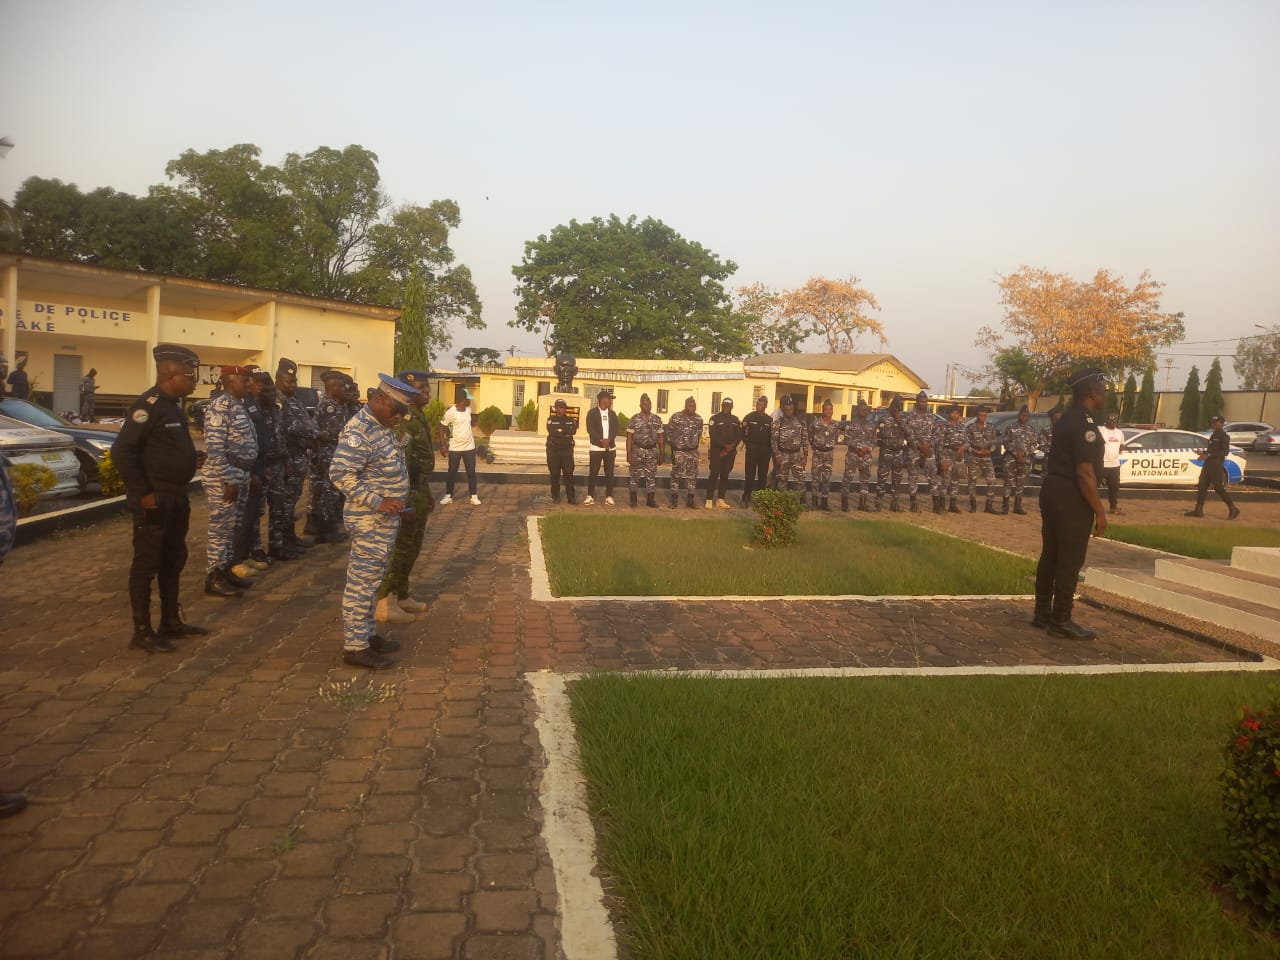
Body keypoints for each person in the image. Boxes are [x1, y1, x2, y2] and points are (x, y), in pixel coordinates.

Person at [110, 343, 210, 651]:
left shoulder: (173, 406)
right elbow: (122, 451)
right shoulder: (148, 406)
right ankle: (142, 631)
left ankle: (170, 621)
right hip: (155, 500)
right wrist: (143, 495)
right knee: (147, 562)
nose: (194, 380)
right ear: (169, 373)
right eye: (189, 374)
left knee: (173, 559)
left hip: (176, 497)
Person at [329, 374, 415, 668]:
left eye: (403, 411)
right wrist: (379, 501)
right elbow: (340, 474)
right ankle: (355, 647)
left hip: (384, 520)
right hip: (369, 520)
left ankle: (366, 635)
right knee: (361, 584)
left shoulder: (383, 426)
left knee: (373, 580)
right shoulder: (360, 430)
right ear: (379, 400)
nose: (400, 416)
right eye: (396, 410)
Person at [1035, 367, 1108, 640]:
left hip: (1053, 491)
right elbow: (1084, 472)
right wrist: (1100, 511)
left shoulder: (1066, 418)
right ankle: (1061, 620)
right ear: (1092, 392)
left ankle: (1042, 613)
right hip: (1072, 496)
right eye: (1104, 390)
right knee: (1069, 560)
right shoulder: (1084, 424)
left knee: (1050, 555)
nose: (1106, 395)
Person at [376, 370, 437, 623]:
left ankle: (401, 595)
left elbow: (420, 460)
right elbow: (398, 462)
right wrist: (403, 499)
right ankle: (383, 601)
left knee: (412, 547)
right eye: (421, 388)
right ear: (407, 392)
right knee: (399, 547)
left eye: (427, 388)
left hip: (418, 490)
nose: (426, 392)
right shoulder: (404, 421)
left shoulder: (418, 417)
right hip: (405, 493)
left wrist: (427, 492)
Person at [201, 366, 259, 596]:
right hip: (224, 477)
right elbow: (215, 449)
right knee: (221, 528)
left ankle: (225, 572)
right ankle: (213, 577)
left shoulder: (238, 405)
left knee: (232, 527)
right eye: (244, 380)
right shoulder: (220, 407)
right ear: (229, 381)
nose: (248, 384)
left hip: (241, 473)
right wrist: (230, 480)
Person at [275, 358, 318, 557]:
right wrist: (310, 431)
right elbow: (286, 428)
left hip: (299, 457)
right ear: (278, 380)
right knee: (283, 503)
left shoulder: (294, 401)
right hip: (288, 458)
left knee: (291, 501)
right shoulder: (277, 401)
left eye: (294, 381)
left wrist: (311, 431)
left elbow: (309, 424)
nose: (293, 385)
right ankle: (281, 543)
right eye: (288, 381)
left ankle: (290, 538)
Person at [310, 370, 351, 543]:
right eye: (341, 386)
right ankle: (326, 531)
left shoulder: (336, 404)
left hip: (334, 454)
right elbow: (321, 433)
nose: (344, 389)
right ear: (333, 387)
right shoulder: (328, 405)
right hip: (328, 454)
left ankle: (327, 528)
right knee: (328, 492)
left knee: (331, 492)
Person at [1186, 414, 1241, 520]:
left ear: (1221, 423)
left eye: (1215, 422)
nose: (1213, 424)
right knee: (1202, 486)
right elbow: (1212, 450)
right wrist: (1203, 452)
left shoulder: (1224, 436)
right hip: (1208, 464)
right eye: (1212, 422)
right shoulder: (1214, 435)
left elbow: (1224, 452)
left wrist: (1208, 455)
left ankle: (1233, 508)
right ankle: (1198, 509)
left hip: (1216, 464)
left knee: (1218, 488)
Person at [439, 387, 480, 506]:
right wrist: (442, 445)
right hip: (455, 448)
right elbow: (441, 426)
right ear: (462, 399)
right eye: (468, 399)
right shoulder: (451, 412)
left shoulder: (468, 410)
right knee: (452, 472)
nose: (470, 401)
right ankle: (448, 495)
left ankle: (473, 496)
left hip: (469, 447)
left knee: (471, 472)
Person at [626, 393, 664, 507]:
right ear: (641, 405)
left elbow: (661, 437)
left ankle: (650, 500)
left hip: (652, 451)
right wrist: (628, 454)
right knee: (634, 476)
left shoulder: (657, 419)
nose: (647, 406)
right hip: (637, 450)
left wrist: (661, 453)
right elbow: (629, 438)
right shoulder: (634, 419)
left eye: (649, 404)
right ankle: (633, 500)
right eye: (645, 404)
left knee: (651, 476)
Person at [903, 391, 938, 513]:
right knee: (913, 476)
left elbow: (936, 435)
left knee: (932, 476)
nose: (923, 404)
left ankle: (936, 504)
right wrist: (919, 445)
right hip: (914, 451)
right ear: (916, 402)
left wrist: (929, 446)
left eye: (925, 402)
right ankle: (913, 502)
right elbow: (908, 434)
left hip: (929, 451)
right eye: (920, 401)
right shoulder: (909, 417)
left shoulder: (932, 418)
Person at [666, 396, 704, 508]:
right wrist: (675, 448)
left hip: (693, 452)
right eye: (690, 406)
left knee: (692, 477)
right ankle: (674, 501)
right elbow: (669, 433)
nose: (692, 408)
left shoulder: (699, 419)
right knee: (676, 476)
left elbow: (699, 435)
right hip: (679, 452)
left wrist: (692, 445)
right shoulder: (676, 417)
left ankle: (691, 501)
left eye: (694, 406)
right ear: (685, 406)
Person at [771, 395, 809, 503]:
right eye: (786, 409)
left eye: (791, 408)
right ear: (782, 409)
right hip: (783, 455)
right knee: (782, 480)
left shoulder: (801, 422)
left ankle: (802, 502)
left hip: (797, 455)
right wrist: (777, 455)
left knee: (800, 480)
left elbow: (805, 440)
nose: (789, 411)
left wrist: (805, 456)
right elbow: (773, 440)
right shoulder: (777, 423)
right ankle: (782, 503)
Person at [706, 398, 742, 509]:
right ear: (721, 405)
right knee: (714, 474)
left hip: (730, 452)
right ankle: (709, 499)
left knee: (725, 475)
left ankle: (720, 499)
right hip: (717, 450)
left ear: (732, 407)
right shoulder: (714, 419)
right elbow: (713, 434)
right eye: (725, 405)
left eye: (728, 406)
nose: (726, 407)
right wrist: (724, 446)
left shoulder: (735, 420)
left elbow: (739, 435)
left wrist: (731, 446)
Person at [840, 400, 876, 511]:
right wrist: (857, 448)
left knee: (865, 480)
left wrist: (867, 449)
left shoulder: (871, 425)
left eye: (866, 410)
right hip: (853, 455)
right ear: (857, 410)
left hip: (866, 456)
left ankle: (862, 503)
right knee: (847, 478)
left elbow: (874, 440)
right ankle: (844, 504)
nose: (864, 412)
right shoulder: (850, 424)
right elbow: (846, 439)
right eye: (862, 409)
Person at [584, 389, 618, 506]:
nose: (610, 401)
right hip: (596, 448)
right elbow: (590, 429)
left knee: (609, 473)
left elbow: (615, 429)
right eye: (609, 399)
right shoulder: (592, 413)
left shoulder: (612, 414)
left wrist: (609, 440)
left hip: (610, 448)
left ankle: (609, 496)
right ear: (603, 400)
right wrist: (600, 440)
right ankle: (590, 495)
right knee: (593, 472)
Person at [1002, 406, 1037, 515]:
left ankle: (1017, 506)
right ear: (1018, 415)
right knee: (1008, 482)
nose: (1024, 417)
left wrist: (1025, 453)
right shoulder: (1010, 427)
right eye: (1022, 415)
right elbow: (1005, 441)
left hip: (1025, 460)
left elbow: (1034, 444)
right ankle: (1005, 507)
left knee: (1020, 483)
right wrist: (1015, 453)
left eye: (1026, 416)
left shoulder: (1031, 429)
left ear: (1028, 417)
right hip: (1011, 459)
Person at [875, 397, 908, 512]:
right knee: (882, 478)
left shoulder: (903, 419)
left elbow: (908, 432)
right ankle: (878, 502)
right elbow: (873, 432)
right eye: (895, 406)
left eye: (899, 407)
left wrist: (899, 419)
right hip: (886, 451)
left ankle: (895, 503)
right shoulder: (883, 417)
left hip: (899, 452)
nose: (897, 408)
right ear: (891, 406)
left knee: (897, 479)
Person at [965, 405, 999, 514]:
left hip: (986, 456)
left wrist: (990, 450)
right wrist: (973, 451)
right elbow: (966, 443)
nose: (982, 417)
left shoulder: (990, 427)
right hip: (974, 456)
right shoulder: (971, 428)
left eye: (984, 415)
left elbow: (994, 442)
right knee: (972, 481)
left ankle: (989, 506)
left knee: (992, 481)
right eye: (980, 415)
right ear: (977, 416)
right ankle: (973, 505)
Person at [740, 395, 773, 507]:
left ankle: (760, 497)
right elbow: (742, 431)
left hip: (765, 451)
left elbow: (772, 436)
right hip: (752, 449)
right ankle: (746, 496)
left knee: (762, 475)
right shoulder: (749, 417)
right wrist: (747, 443)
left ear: (765, 406)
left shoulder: (769, 420)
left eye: (762, 405)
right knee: (749, 474)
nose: (759, 406)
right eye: (758, 404)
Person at [546, 397, 579, 504]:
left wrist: (561, 431)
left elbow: (573, 431)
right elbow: (553, 431)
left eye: (563, 407)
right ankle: (555, 496)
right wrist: (565, 433)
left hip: (567, 451)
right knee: (554, 474)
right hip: (553, 450)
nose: (562, 409)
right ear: (555, 408)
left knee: (568, 474)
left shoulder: (570, 420)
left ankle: (571, 497)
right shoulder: (550, 420)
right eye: (559, 407)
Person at [808, 400, 839, 510]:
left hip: (829, 454)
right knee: (815, 477)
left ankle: (824, 502)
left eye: (830, 409)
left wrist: (828, 447)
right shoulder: (815, 423)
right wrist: (816, 447)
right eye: (826, 409)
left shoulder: (835, 424)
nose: (828, 411)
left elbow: (836, 438)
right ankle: (814, 502)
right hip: (818, 453)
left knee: (827, 478)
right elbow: (810, 437)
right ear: (822, 410)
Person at [937, 405, 968, 513]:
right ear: (949, 414)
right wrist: (942, 460)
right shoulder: (944, 426)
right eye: (952, 413)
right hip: (947, 455)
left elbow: (967, 441)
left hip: (959, 457)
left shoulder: (962, 427)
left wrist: (963, 447)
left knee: (955, 481)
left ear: (959, 414)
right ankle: (941, 504)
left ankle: (952, 505)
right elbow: (940, 444)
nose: (954, 415)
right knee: (945, 481)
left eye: (956, 413)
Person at [1098, 412, 1126, 515]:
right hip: (1101, 464)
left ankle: (1113, 508)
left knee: (1114, 487)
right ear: (1106, 420)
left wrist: (1115, 454)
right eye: (1110, 420)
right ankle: (1089, 507)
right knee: (1093, 486)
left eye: (1114, 420)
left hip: (1114, 465)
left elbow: (1122, 444)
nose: (1112, 421)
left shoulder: (1119, 433)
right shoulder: (1100, 430)